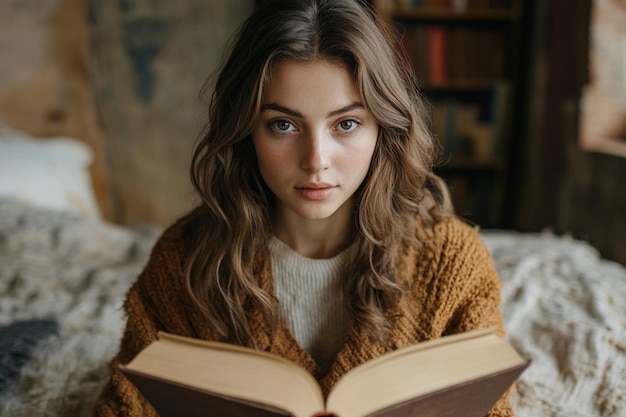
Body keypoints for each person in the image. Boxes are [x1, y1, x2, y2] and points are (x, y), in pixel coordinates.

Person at [94, 0, 515, 416]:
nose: (316, 159)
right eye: (283, 125)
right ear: (246, 133)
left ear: (382, 129)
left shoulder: (451, 263)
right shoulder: (184, 262)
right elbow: (127, 405)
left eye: (346, 124)